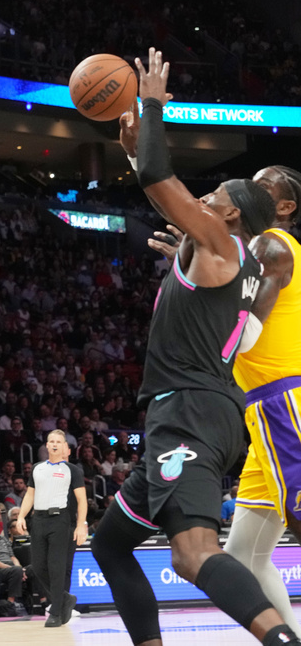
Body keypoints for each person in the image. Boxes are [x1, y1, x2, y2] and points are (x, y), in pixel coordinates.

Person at [90, 48, 298, 646]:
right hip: (201, 410)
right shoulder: (224, 257)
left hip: (189, 411)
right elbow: (157, 180)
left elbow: (161, 181)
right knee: (110, 542)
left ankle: (282, 640)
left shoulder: (222, 243)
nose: (201, 198)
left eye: (213, 196)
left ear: (232, 212)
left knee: (192, 555)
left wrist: (151, 104)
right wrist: (134, 146)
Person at [142, 153, 301, 633]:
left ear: (286, 206)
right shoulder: (249, 253)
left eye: (262, 185)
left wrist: (208, 288)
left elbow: (245, 335)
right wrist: (197, 271)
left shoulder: (272, 244)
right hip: (260, 410)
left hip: (283, 399)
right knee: (242, 557)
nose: (249, 187)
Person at [15, 429, 87, 627]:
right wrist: (21, 515)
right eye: (51, 441)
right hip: (38, 520)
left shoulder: (72, 470)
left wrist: (81, 525)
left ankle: (55, 611)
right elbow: (30, 495)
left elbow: (82, 501)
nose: (54, 444)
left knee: (56, 567)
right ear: (46, 445)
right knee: (38, 567)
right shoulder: (37, 468)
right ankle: (65, 598)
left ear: (64, 446)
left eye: (58, 442)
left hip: (60, 520)